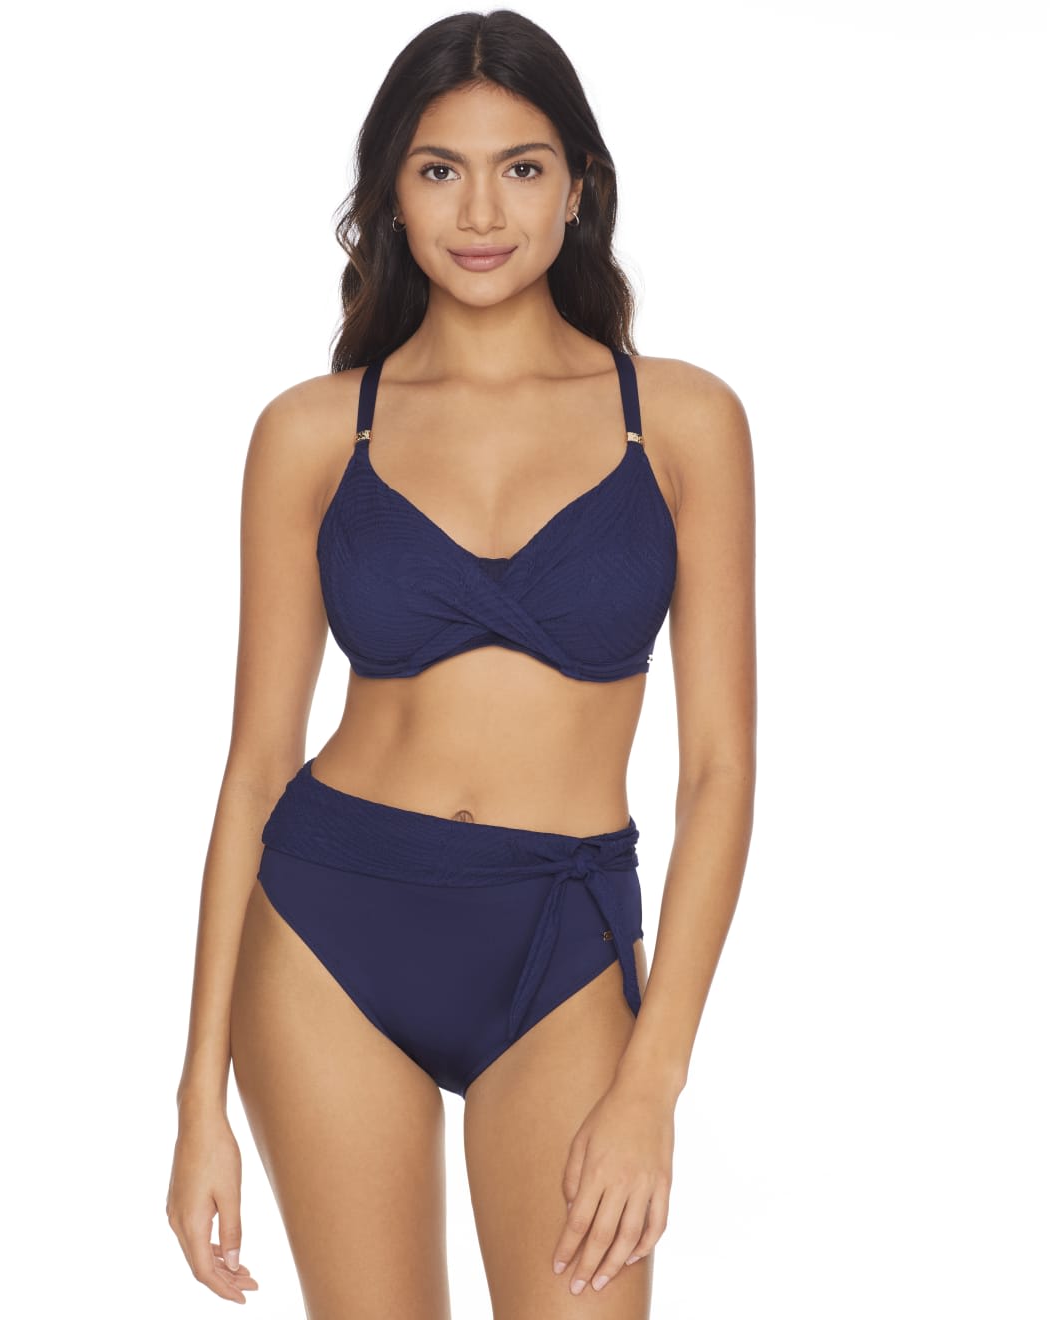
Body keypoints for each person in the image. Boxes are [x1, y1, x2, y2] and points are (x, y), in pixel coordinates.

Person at [167, 9, 755, 1316]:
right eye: (439, 169)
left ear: (578, 189)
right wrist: (198, 1097)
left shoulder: (681, 421)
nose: (480, 211)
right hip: (326, 930)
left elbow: (718, 769)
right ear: (390, 192)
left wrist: (652, 1083)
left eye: (521, 167)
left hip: (562, 940)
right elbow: (255, 764)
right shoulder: (313, 434)